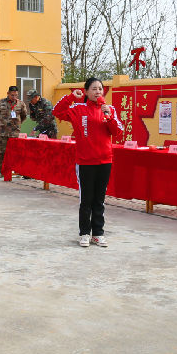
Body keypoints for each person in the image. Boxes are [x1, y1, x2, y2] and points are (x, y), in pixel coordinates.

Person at [53, 78, 124, 248]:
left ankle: (98, 234)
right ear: (86, 91)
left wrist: (109, 117)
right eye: (94, 88)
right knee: (86, 200)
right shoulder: (78, 109)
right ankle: (85, 233)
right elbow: (57, 111)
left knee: (99, 200)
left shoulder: (110, 109)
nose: (98, 91)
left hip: (105, 160)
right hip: (85, 161)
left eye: (100, 88)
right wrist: (71, 97)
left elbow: (118, 132)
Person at [0, 86, 27, 177]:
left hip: (15, 133)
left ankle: (16, 171)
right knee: (2, 152)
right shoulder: (0, 102)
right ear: (8, 93)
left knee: (16, 153)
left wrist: (16, 124)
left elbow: (23, 116)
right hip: (3, 132)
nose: (14, 97)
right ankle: (0, 172)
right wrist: (2, 123)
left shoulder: (21, 104)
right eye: (12, 95)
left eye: (16, 95)